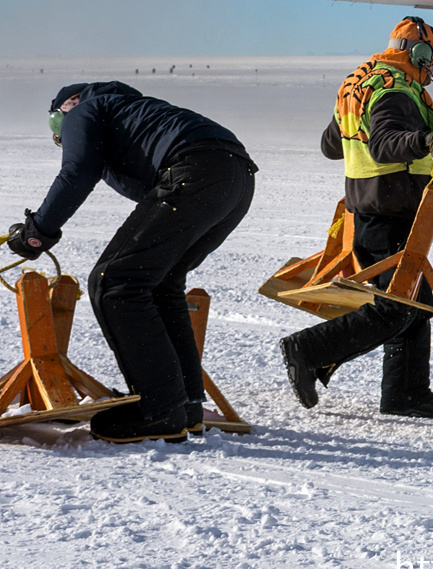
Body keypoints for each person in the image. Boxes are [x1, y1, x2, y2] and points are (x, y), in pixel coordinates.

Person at [7, 83, 256, 443]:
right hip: (236, 179)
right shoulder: (132, 114)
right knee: (160, 284)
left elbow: (77, 173)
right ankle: (185, 407)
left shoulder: (84, 111)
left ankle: (161, 410)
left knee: (114, 282)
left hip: (196, 168)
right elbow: (145, 192)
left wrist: (37, 232)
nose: (60, 138)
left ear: (66, 107)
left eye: (57, 129)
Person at [279, 16, 433, 419]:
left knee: (415, 302)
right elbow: (383, 145)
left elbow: (332, 144)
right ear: (418, 53)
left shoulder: (359, 83)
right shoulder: (396, 90)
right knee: (396, 306)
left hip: (370, 208)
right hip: (388, 209)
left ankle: (406, 394)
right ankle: (307, 349)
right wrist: (424, 140)